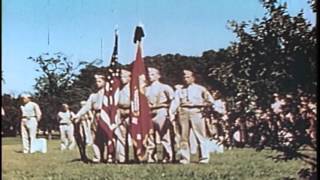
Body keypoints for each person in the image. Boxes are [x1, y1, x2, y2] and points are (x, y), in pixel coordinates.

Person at [169, 69, 214, 164]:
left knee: (200, 135)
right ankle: (185, 158)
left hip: (196, 112)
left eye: (188, 77)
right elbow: (175, 102)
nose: (186, 79)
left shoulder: (200, 89)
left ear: (193, 78)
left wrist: (196, 103)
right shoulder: (179, 90)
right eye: (184, 77)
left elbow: (210, 101)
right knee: (183, 136)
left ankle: (204, 157)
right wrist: (172, 113)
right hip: (183, 113)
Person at [74, 74, 115, 163]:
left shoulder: (109, 94)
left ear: (105, 82)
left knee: (107, 136)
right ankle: (97, 157)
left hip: (106, 116)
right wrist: (78, 115)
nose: (97, 83)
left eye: (100, 81)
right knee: (95, 137)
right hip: (96, 116)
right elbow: (87, 107)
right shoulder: (93, 96)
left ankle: (109, 156)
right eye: (96, 82)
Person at [145, 67, 175, 163]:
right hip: (149, 113)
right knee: (150, 135)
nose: (150, 76)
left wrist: (169, 110)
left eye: (153, 74)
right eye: (149, 74)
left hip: (161, 111)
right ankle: (151, 156)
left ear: (158, 76)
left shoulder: (165, 87)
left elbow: (173, 100)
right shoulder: (146, 89)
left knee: (164, 135)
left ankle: (168, 155)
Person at [116, 69, 132, 163]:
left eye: (125, 77)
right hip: (120, 113)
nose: (122, 79)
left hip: (130, 113)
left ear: (129, 78)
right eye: (121, 77)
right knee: (121, 136)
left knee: (133, 135)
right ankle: (122, 158)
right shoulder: (119, 90)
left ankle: (137, 157)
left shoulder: (133, 89)